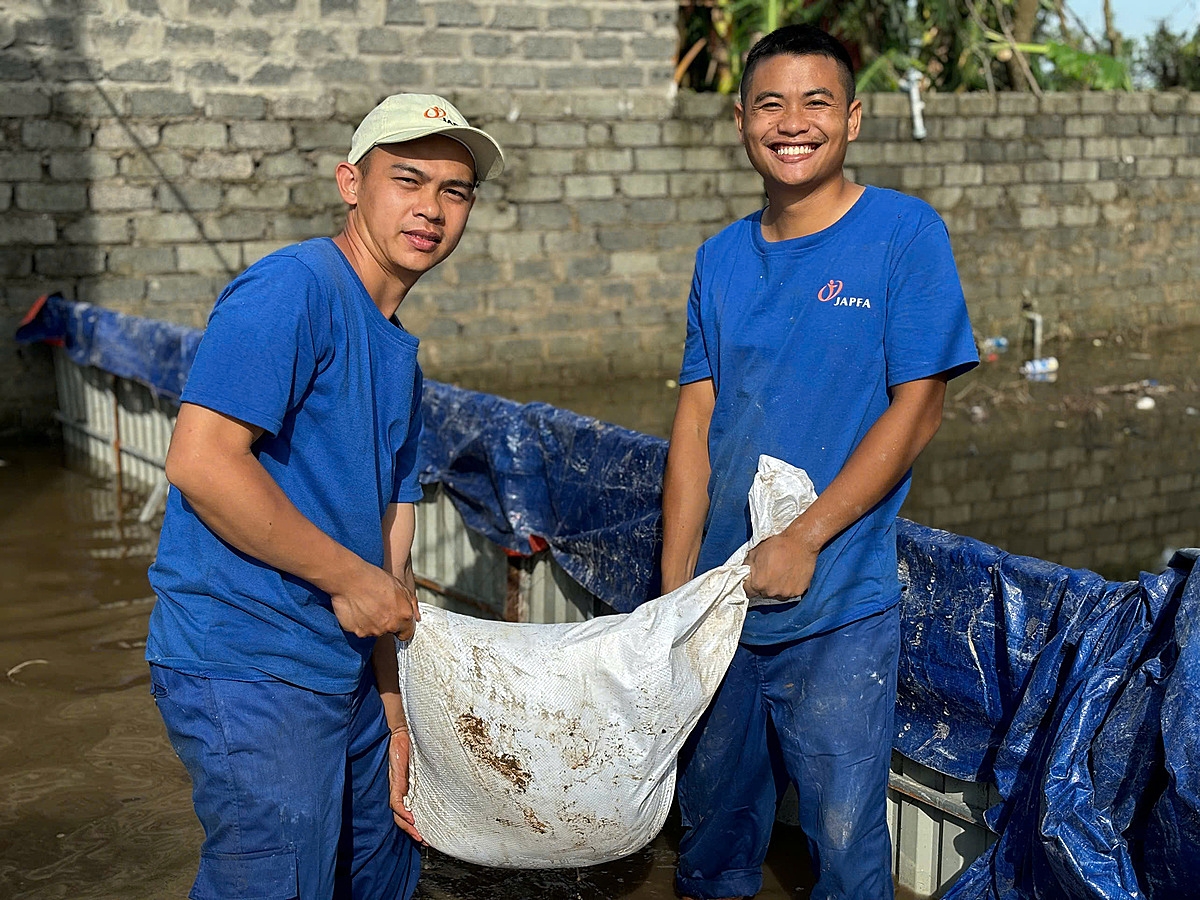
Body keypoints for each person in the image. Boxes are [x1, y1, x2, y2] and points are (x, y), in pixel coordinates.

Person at [144, 93, 504, 900]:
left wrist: (395, 714)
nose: (432, 209)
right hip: (247, 659)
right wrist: (349, 580)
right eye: (407, 180)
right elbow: (202, 462)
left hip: (343, 673)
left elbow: (391, 549)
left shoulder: (398, 354)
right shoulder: (294, 289)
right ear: (351, 182)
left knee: (387, 865)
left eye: (456, 192)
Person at [659, 25, 979, 900]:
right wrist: (674, 583)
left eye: (817, 102)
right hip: (721, 606)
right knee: (712, 833)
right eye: (771, 103)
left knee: (845, 843)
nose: (792, 122)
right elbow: (697, 419)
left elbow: (919, 410)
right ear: (739, 122)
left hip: (837, 609)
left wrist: (804, 536)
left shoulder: (903, 235)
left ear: (853, 119)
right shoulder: (718, 259)